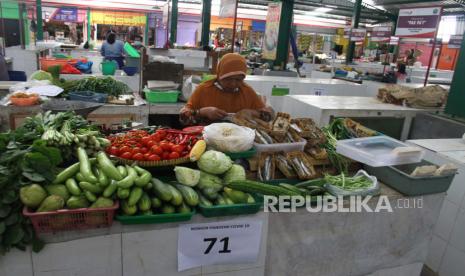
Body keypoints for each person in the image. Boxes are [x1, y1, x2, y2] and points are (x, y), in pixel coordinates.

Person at [180, 53, 273, 125]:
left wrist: (252, 113)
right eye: (228, 79)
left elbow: (270, 116)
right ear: (219, 75)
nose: (233, 84)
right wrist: (201, 112)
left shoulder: (247, 91)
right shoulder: (204, 90)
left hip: (239, 141)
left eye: (238, 80)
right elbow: (183, 119)